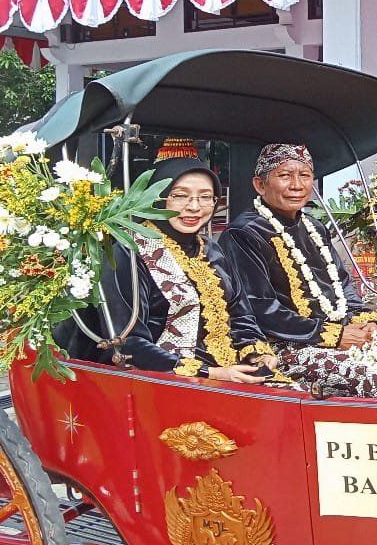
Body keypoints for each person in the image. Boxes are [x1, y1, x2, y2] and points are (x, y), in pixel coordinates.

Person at [60, 156, 279, 383]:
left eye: (205, 197)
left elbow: (241, 315)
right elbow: (127, 341)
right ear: (157, 197)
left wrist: (256, 352)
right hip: (162, 380)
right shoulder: (129, 253)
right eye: (180, 196)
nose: (194, 207)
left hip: (230, 370)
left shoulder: (211, 249)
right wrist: (211, 373)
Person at [217, 144, 377, 398]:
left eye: (304, 175)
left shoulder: (313, 226)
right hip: (280, 346)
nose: (296, 185)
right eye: (285, 176)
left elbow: (342, 284)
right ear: (260, 185)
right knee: (371, 374)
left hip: (336, 334)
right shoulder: (244, 233)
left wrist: (365, 322)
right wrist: (335, 336)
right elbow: (260, 308)